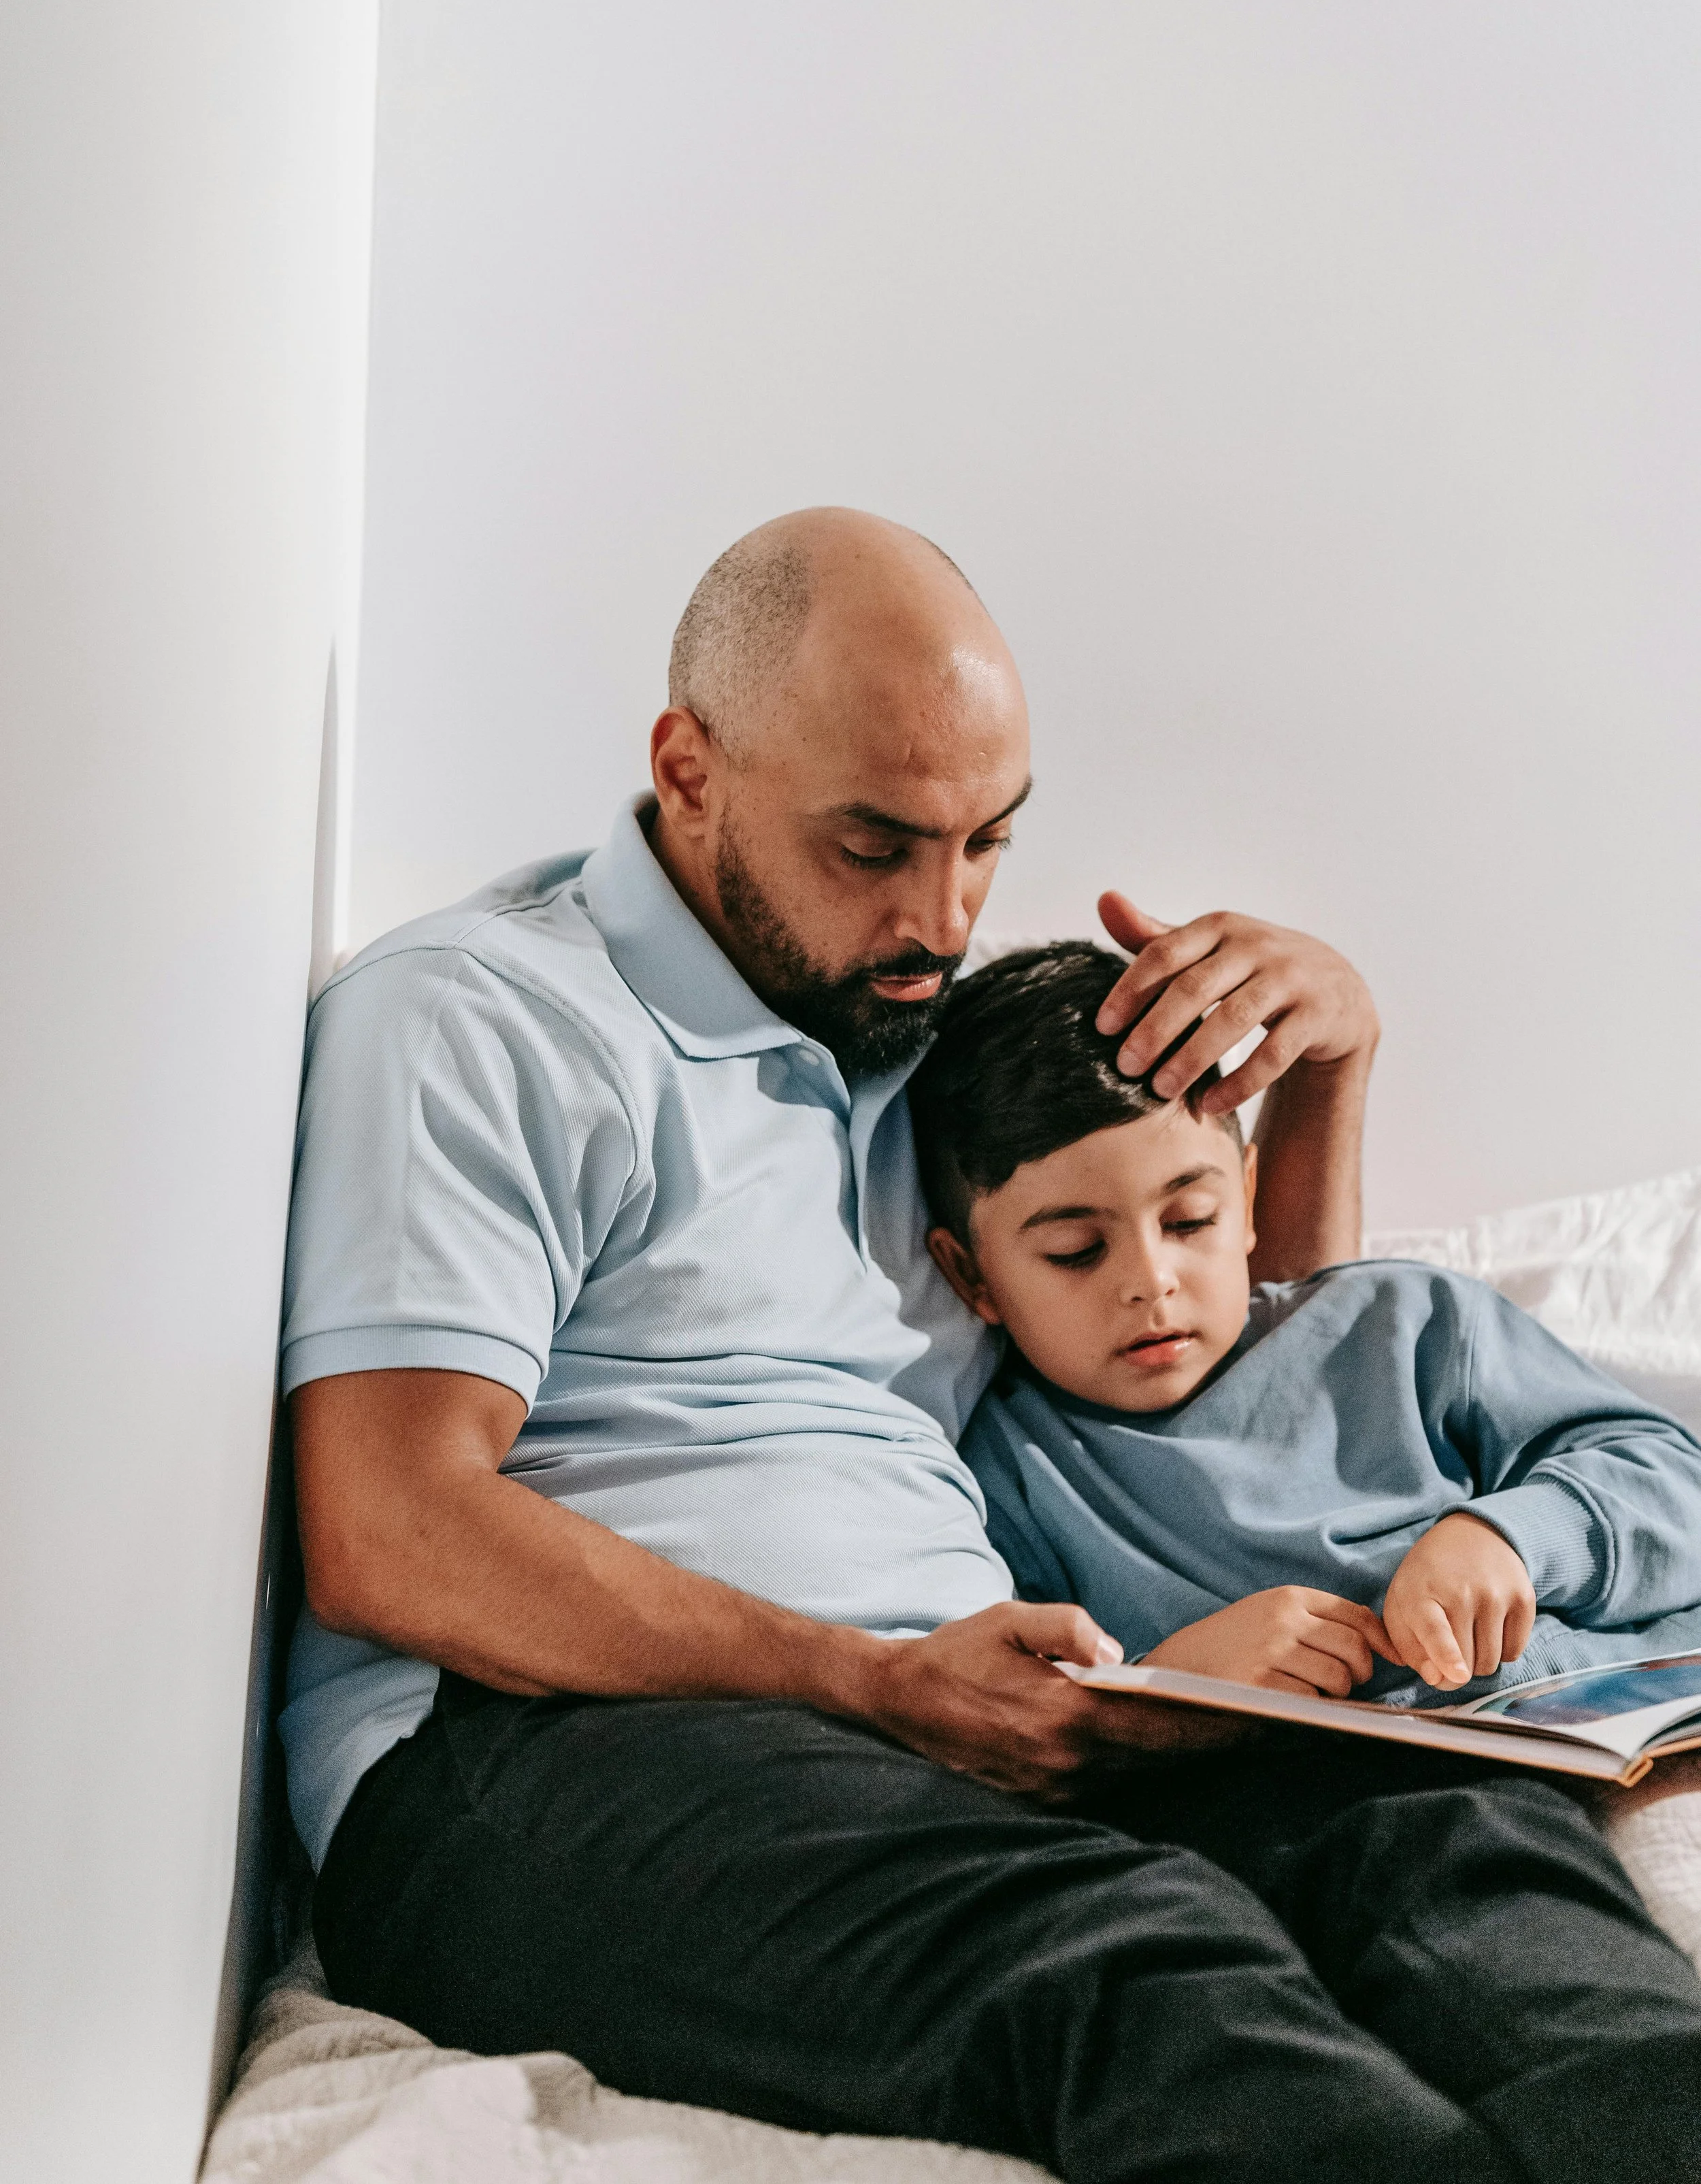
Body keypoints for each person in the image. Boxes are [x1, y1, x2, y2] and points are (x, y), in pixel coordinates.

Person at [286, 508, 1701, 2184]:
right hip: (538, 1747)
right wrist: (876, 1679)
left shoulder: (928, 1059)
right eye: (874, 845)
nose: (939, 915)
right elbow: (387, 1525)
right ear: (687, 768)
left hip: (976, 1718)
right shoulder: (486, 1016)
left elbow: (1241, 1385)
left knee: (1447, 1829)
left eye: (986, 845)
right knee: (1137, 1964)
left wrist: (1329, 1068)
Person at [914, 940, 1701, 1708]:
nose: (1151, 1282)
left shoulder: (1403, 1324)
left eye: (1191, 1220)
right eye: (1075, 1251)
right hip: (1361, 1790)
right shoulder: (1006, 1475)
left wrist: (1516, 1537)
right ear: (971, 1275)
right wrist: (1172, 1679)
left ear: (1247, 1200)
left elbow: (1675, 1483)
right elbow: (1020, 1712)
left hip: (1626, 1699)